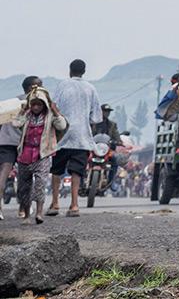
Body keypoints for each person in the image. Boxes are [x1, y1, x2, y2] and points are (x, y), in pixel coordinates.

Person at [49, 59, 102, 217]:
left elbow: (53, 106)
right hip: (82, 137)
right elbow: (96, 117)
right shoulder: (91, 88)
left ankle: (55, 204)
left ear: (70, 70)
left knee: (57, 170)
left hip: (63, 135)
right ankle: (74, 205)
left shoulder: (63, 85)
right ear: (84, 72)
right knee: (76, 172)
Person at [13, 87, 68, 225]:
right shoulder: (27, 116)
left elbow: (61, 126)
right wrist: (22, 111)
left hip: (42, 154)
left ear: (44, 105)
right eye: (33, 104)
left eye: (39, 104)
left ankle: (39, 213)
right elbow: (16, 123)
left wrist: (55, 111)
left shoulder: (49, 116)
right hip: (25, 154)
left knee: (40, 184)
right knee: (24, 187)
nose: (36, 107)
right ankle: (26, 215)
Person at [0, 75, 42, 221]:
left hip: (5, 142)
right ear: (32, 88)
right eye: (40, 85)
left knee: (3, 174)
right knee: (26, 176)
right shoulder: (36, 103)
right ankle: (23, 209)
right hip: (24, 144)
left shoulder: (13, 102)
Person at [92, 104, 123, 188]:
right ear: (100, 111)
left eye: (108, 111)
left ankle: (111, 182)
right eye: (105, 111)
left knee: (114, 160)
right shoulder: (93, 123)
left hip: (106, 150)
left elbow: (116, 135)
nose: (107, 113)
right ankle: (80, 182)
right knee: (82, 159)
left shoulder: (112, 125)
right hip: (93, 148)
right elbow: (88, 133)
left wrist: (119, 141)